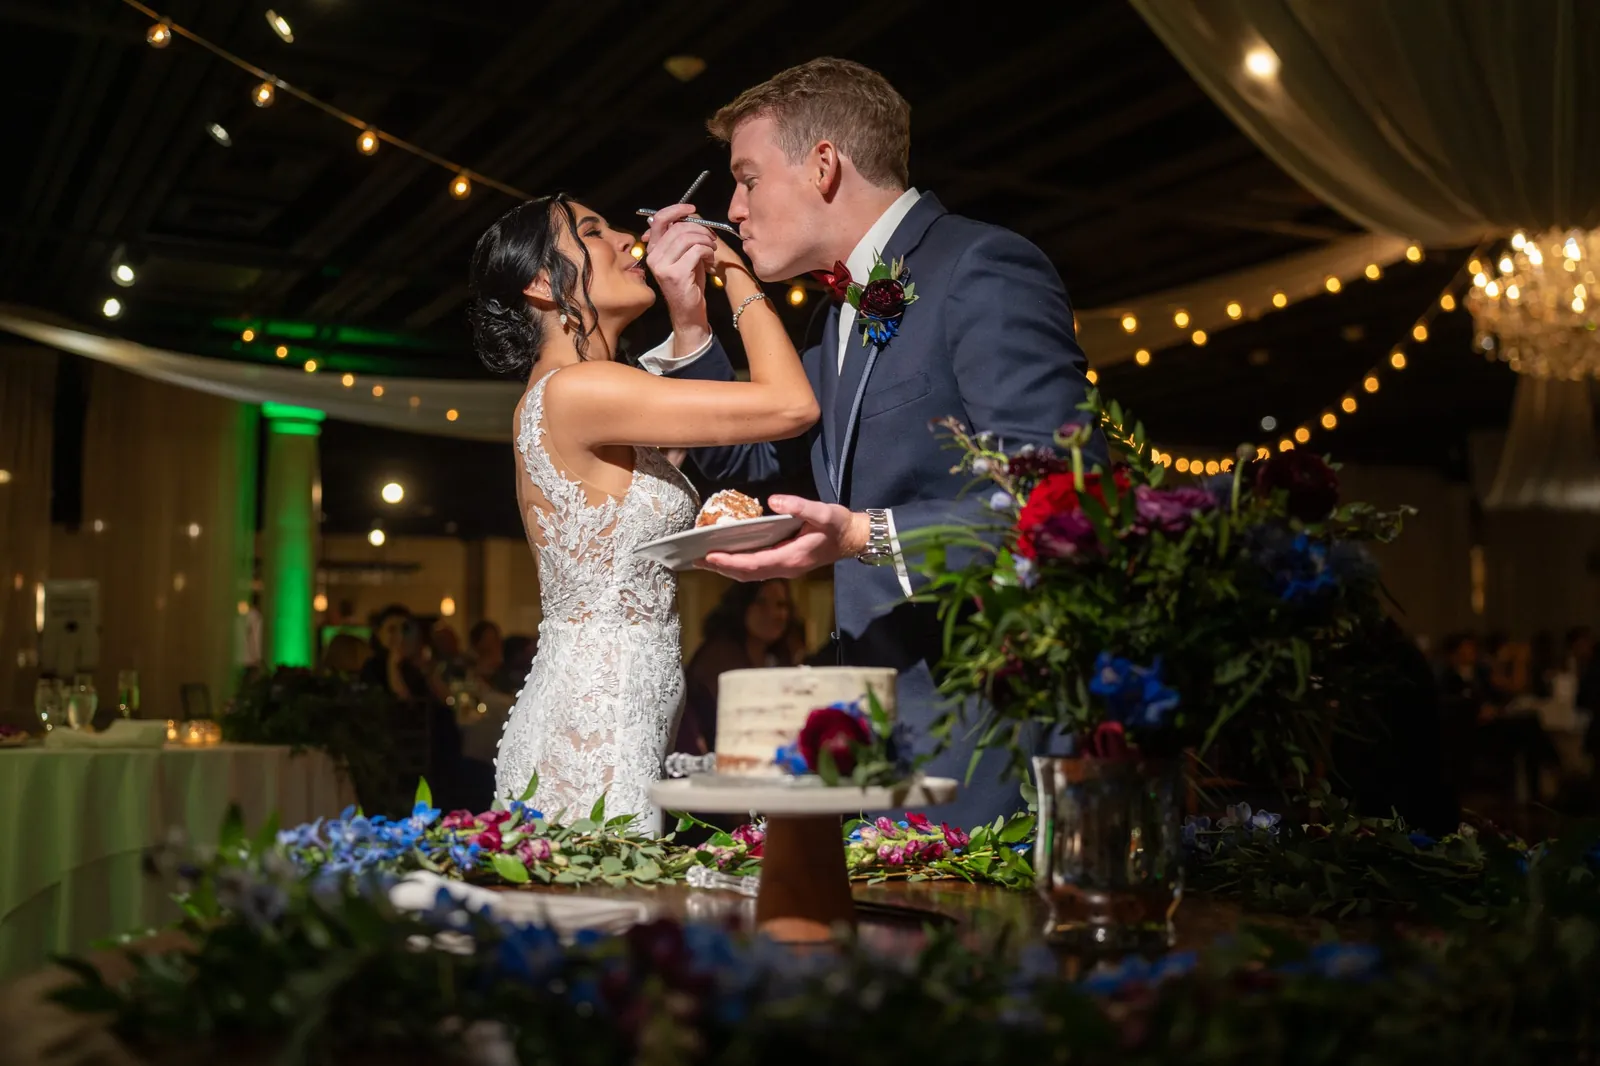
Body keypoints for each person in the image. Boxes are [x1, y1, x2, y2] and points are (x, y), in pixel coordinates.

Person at [638, 58, 1101, 828]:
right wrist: (692, 327)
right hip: (886, 743)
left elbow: (1064, 503)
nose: (733, 209)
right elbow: (762, 470)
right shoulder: (833, 318)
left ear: (823, 165)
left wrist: (865, 534)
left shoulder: (981, 268)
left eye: (748, 178)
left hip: (986, 736)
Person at [467, 192, 817, 829]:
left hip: (613, 705)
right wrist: (734, 272)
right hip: (597, 723)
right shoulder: (579, 390)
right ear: (543, 283)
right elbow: (791, 404)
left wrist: (689, 315)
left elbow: (676, 420)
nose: (628, 239)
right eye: (594, 231)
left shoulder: (588, 391)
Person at [674, 579, 798, 755]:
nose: (773, 613)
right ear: (742, 606)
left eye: (781, 604)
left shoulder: (778, 656)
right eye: (761, 602)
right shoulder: (718, 656)